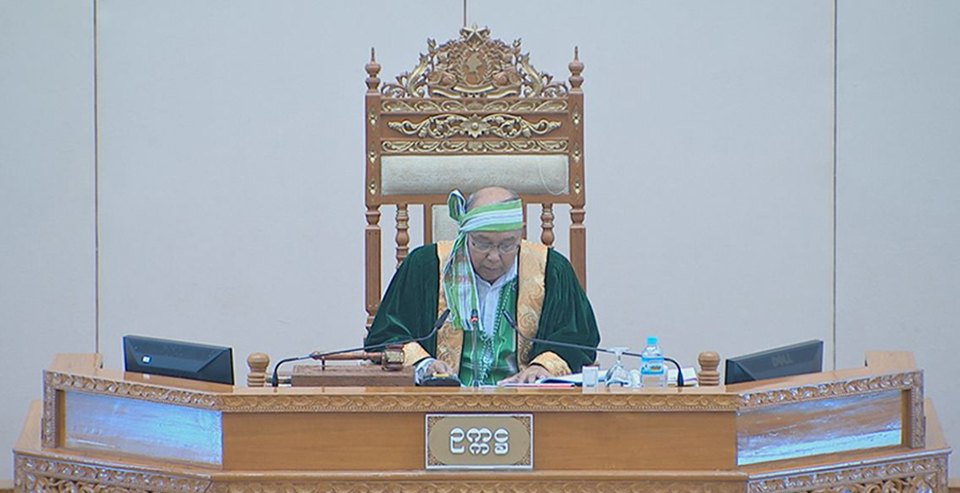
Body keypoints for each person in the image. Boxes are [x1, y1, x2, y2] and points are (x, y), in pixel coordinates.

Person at [364, 187, 599, 385]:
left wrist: (542, 366)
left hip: (527, 402)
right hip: (437, 402)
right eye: (483, 244)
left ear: (520, 234)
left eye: (507, 245)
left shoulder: (551, 269)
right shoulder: (426, 266)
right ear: (466, 234)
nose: (494, 257)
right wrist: (424, 364)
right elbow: (386, 336)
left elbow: (579, 338)